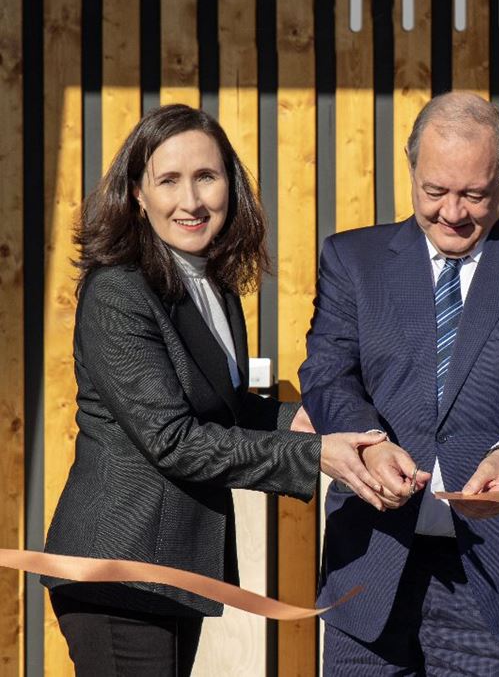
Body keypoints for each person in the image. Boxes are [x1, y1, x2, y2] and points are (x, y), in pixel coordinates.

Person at [43, 104, 390, 676]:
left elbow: (225, 408)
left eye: (206, 176)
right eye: (168, 180)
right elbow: (173, 439)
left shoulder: (215, 285)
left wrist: (308, 420)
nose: (191, 200)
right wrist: (311, 453)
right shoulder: (118, 292)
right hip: (119, 571)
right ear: (137, 193)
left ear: (231, 183)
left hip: (174, 566)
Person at [299, 92, 499, 674]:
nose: (453, 213)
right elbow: (326, 371)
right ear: (410, 168)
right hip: (370, 570)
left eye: (475, 194)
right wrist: (367, 442)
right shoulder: (351, 259)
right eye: (435, 191)